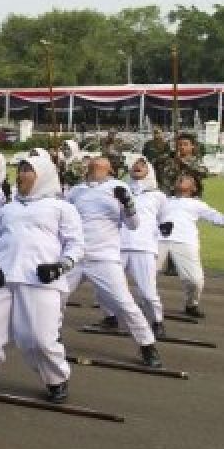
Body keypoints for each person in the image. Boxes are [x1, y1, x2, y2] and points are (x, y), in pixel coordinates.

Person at [0, 151, 84, 402]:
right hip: (1, 276)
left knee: (39, 339)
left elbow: (76, 245)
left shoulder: (62, 208)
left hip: (40, 279)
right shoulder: (7, 209)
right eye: (19, 170)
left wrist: (59, 267)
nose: (20, 175)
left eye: (27, 170)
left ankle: (56, 379)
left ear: (42, 175)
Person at [64, 156, 162, 368]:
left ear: (110, 170)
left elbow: (134, 224)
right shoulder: (76, 191)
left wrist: (127, 204)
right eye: (92, 165)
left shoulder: (118, 187)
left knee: (124, 303)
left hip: (104, 258)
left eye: (100, 166)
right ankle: (50, 339)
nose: (94, 168)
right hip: (75, 256)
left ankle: (147, 345)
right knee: (54, 297)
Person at [157, 175, 224, 318]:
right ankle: (146, 304)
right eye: (179, 178)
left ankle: (191, 305)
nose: (181, 178)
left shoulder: (198, 204)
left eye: (187, 178)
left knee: (195, 281)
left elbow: (223, 221)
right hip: (159, 239)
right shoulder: (163, 201)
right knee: (145, 274)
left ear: (194, 188)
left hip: (185, 241)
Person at [102, 156, 168, 335]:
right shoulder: (117, 191)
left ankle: (156, 321)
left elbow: (165, 219)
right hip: (117, 246)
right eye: (134, 164)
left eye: (142, 164)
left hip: (144, 247)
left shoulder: (157, 196)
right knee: (106, 287)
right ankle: (110, 318)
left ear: (149, 169)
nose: (138, 166)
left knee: (147, 292)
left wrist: (166, 227)